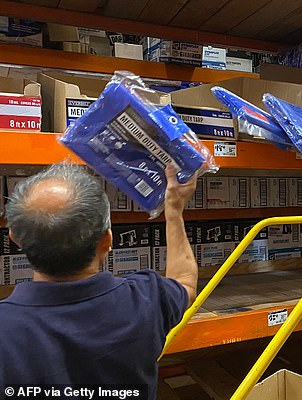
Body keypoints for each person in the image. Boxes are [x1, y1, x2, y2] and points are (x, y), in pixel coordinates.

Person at [0, 163, 198, 398]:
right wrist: (174, 209)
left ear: (15, 239)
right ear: (107, 240)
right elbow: (185, 280)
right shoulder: (146, 299)